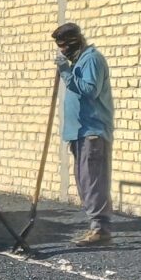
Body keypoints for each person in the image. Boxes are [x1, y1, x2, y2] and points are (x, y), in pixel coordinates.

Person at [52, 22, 115, 246]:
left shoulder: (92, 59)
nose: (62, 52)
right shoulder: (79, 60)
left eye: (64, 47)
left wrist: (66, 73)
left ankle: (101, 229)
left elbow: (90, 90)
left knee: (93, 180)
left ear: (75, 43)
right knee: (84, 180)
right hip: (79, 132)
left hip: (93, 132)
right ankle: (96, 226)